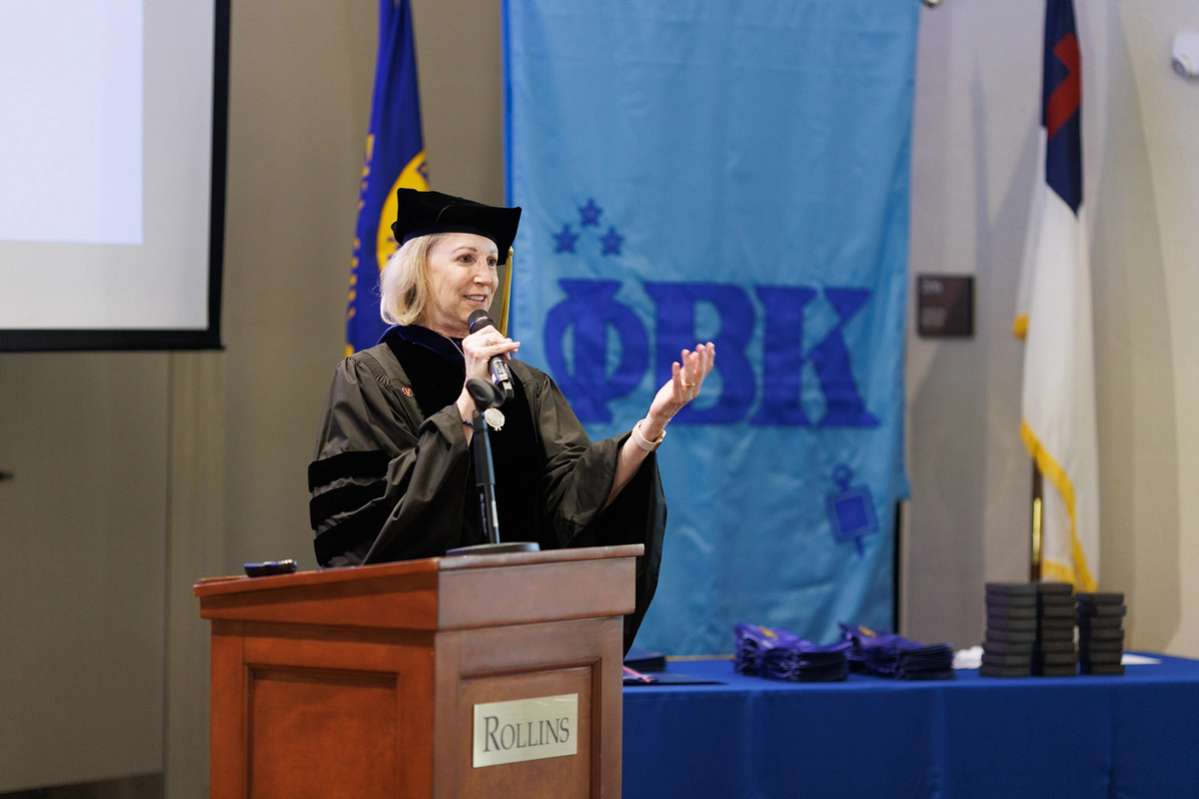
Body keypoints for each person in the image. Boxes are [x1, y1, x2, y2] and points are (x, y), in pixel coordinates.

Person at [308, 188, 714, 648]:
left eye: (492, 261)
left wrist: (650, 426)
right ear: (419, 268)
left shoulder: (525, 384)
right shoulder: (372, 376)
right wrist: (466, 403)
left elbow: (573, 498)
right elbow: (360, 518)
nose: (485, 277)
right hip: (419, 632)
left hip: (524, 628)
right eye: (466, 259)